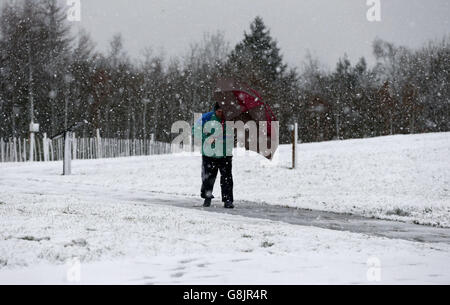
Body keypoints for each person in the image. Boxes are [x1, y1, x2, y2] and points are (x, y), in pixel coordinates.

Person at [193, 102, 234, 209]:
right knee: (208, 177)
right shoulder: (206, 117)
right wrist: (206, 138)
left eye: (222, 111)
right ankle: (207, 197)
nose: (221, 114)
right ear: (215, 110)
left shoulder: (230, 119)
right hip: (209, 153)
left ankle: (228, 200)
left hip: (225, 153)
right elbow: (195, 130)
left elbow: (233, 134)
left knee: (227, 178)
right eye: (219, 111)